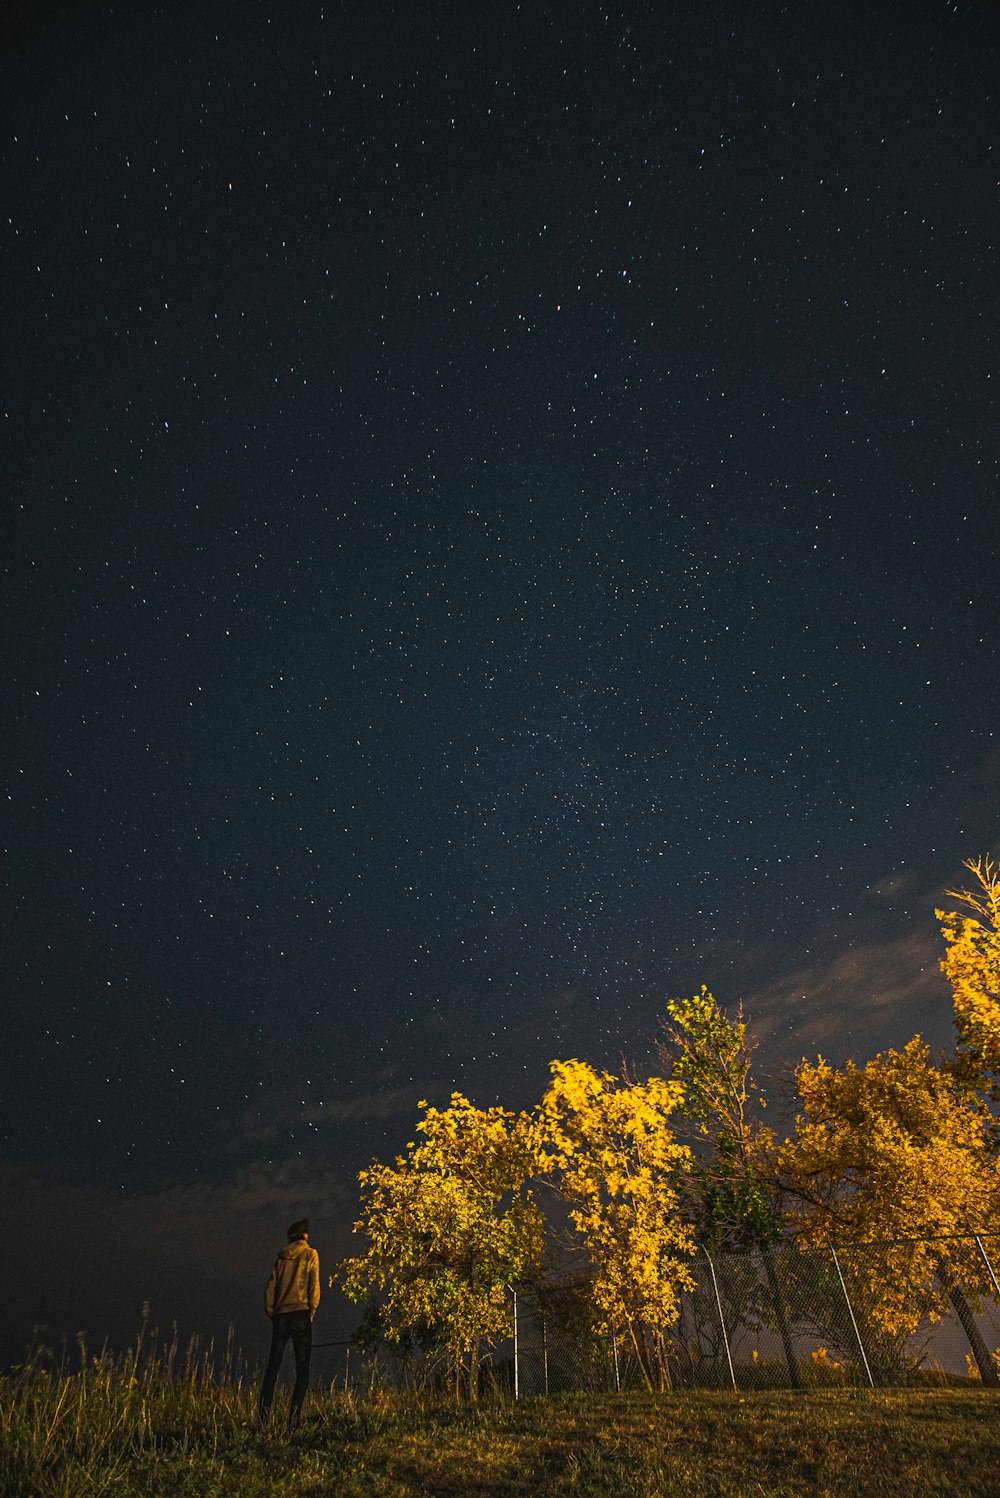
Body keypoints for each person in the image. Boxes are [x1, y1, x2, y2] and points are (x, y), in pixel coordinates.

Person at [258, 1217, 321, 1427]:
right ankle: (294, 1419)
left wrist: (271, 1310)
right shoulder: (310, 1254)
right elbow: (314, 1285)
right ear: (304, 1236)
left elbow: (271, 1287)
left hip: (282, 1316)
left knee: (273, 1366)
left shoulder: (282, 1257)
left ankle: (263, 1416)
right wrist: (312, 1309)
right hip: (301, 1313)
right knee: (302, 1368)